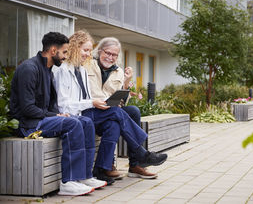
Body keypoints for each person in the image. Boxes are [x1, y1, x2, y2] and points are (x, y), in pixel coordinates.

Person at [52, 31, 167, 184]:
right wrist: (93, 102)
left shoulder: (82, 70)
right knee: (116, 113)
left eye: (88, 50)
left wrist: (120, 88)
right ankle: (140, 154)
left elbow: (88, 97)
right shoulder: (66, 70)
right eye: (85, 50)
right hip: (78, 114)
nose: (87, 54)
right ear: (74, 47)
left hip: (92, 109)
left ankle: (101, 169)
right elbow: (64, 105)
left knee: (114, 123)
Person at [9, 32, 106, 196]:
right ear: (53, 51)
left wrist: (56, 114)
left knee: (86, 122)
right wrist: (53, 116)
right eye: (65, 52)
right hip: (29, 124)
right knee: (73, 123)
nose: (66, 56)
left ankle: (84, 176)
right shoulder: (29, 69)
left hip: (41, 119)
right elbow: (27, 109)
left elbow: (51, 104)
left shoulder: (48, 69)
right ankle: (68, 182)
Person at [86, 37, 157, 179]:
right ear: (99, 51)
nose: (110, 58)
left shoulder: (118, 71)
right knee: (115, 116)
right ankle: (140, 154)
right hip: (91, 109)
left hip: (110, 111)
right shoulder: (87, 65)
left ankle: (135, 165)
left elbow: (122, 101)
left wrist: (126, 83)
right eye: (108, 53)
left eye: (115, 55)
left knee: (133, 112)